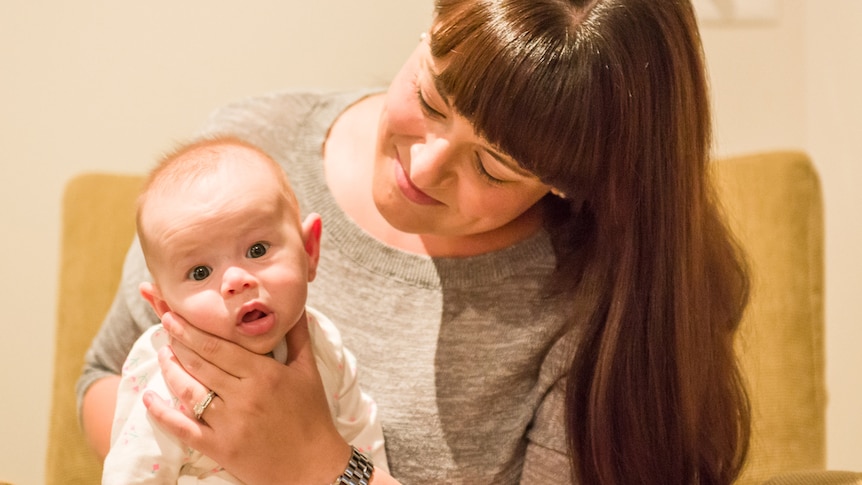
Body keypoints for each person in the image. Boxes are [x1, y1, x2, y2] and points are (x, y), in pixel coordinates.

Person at [78, 1, 752, 483]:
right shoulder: (248, 155)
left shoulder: (596, 305)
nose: (423, 168)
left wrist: (318, 467)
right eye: (432, 98)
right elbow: (104, 377)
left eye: (495, 165)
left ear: (571, 182)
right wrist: (190, 448)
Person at [101, 138, 387, 483]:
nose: (237, 280)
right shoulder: (170, 371)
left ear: (309, 250)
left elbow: (361, 436)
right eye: (200, 272)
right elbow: (135, 471)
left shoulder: (325, 342)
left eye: (257, 249)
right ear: (164, 308)